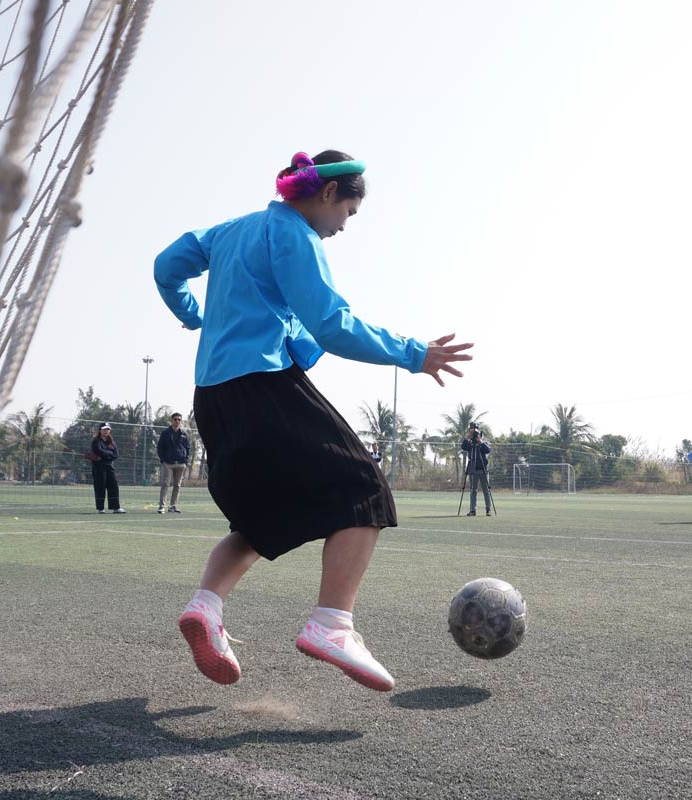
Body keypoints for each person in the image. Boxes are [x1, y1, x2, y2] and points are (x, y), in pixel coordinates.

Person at [155, 149, 472, 692]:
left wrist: (195, 316)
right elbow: (330, 322)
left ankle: (205, 608)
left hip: (212, 396)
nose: (342, 228)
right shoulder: (292, 234)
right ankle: (332, 625)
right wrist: (412, 353)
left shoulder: (231, 231)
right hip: (262, 385)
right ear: (327, 194)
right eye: (347, 214)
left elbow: (167, 266)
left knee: (260, 518)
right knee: (363, 487)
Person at [157, 412, 190, 514]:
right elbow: (160, 447)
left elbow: (188, 448)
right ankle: (162, 506)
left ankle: (173, 506)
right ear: (172, 420)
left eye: (179, 419)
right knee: (165, 484)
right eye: (175, 419)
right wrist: (163, 460)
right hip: (168, 463)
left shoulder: (184, 434)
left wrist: (185, 460)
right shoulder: (165, 433)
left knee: (177, 485)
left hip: (180, 464)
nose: (177, 421)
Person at [90, 423, 125, 514]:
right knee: (100, 487)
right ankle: (100, 508)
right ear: (100, 431)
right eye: (104, 429)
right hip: (99, 468)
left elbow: (116, 454)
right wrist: (109, 453)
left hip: (109, 466)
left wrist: (107, 454)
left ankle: (115, 507)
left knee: (113, 486)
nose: (106, 431)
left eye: (108, 429)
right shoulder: (96, 441)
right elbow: (98, 451)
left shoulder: (111, 441)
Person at [459, 422, 493, 516]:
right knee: (473, 490)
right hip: (472, 469)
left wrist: (480, 441)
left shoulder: (482, 442)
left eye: (475, 428)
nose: (473, 430)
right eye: (472, 428)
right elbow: (463, 447)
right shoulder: (469, 443)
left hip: (483, 469)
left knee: (486, 490)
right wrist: (468, 438)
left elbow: (488, 450)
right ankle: (473, 510)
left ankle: (488, 510)